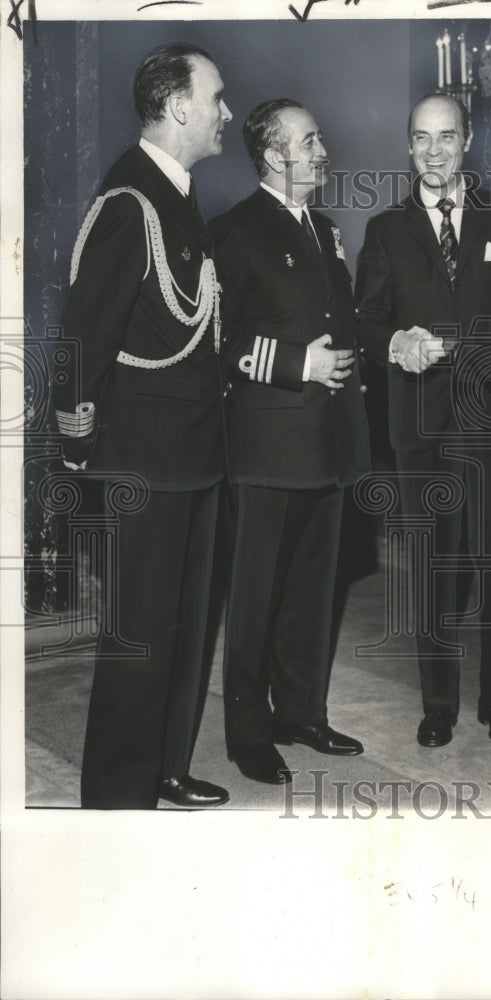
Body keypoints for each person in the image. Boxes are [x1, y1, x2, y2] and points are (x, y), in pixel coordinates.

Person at [54, 44, 233, 808]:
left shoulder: (177, 196)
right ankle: (118, 802)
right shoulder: (129, 202)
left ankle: (165, 766)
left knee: (185, 633)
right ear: (178, 106)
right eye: (217, 98)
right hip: (142, 464)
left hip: (194, 454)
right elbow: (83, 337)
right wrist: (75, 447)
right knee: (138, 642)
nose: (227, 112)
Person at [356, 94, 491, 749]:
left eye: (446, 137)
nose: (434, 150)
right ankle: (438, 705)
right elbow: (365, 319)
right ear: (409, 146)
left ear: (467, 142)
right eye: (421, 138)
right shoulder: (385, 229)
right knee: (434, 569)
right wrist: (395, 342)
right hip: (422, 425)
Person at [209, 100, 370, 785]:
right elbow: (218, 340)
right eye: (309, 141)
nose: (322, 149)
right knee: (255, 598)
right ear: (275, 157)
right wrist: (296, 363)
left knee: (313, 592)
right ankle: (248, 732)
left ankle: (301, 712)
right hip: (267, 448)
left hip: (325, 444)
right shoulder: (235, 231)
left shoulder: (326, 229)